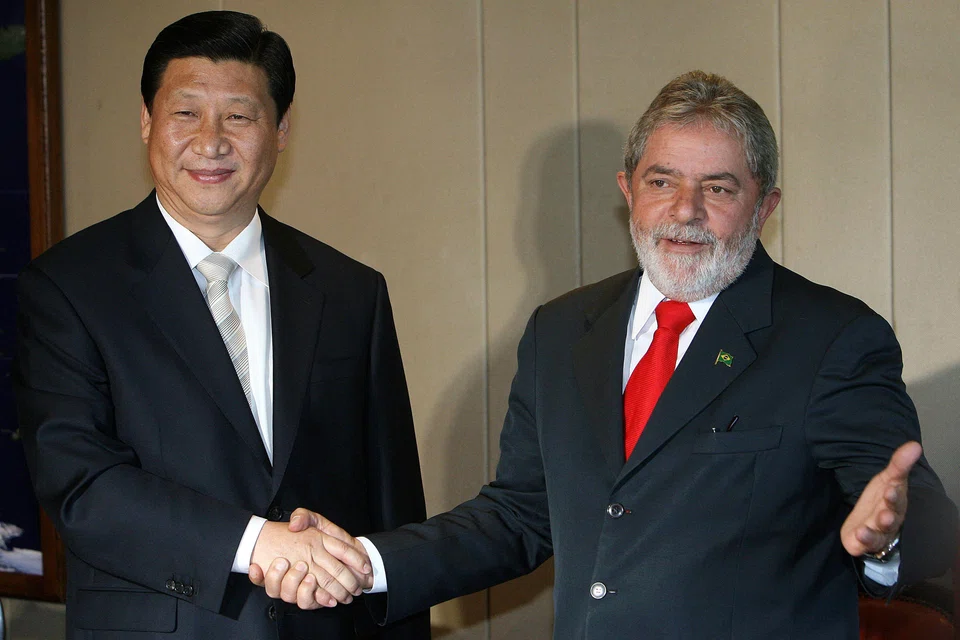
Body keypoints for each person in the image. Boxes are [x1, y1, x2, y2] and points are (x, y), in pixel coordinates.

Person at [254, 71, 958, 638]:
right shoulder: (561, 332)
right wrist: (366, 561)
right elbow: (520, 516)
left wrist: (887, 539)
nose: (685, 210)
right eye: (662, 181)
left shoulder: (830, 336)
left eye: (718, 188)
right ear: (628, 192)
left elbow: (917, 514)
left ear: (765, 205)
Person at [14, 11, 429, 640]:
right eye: (185, 114)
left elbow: (392, 506)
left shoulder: (351, 292)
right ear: (148, 122)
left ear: (281, 129)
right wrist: (255, 543)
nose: (210, 142)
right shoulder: (69, 287)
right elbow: (82, 485)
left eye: (239, 115)